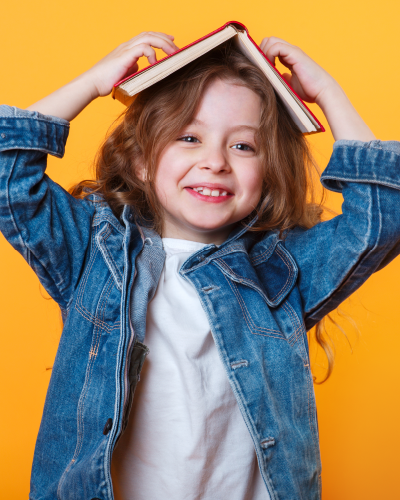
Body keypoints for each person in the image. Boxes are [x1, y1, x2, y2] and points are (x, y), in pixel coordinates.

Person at [1, 30, 399, 500]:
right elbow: (10, 174)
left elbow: (381, 219)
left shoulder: (281, 271)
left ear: (267, 172)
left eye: (243, 147)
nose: (215, 162)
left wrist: (330, 94)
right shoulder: (93, 252)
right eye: (189, 137)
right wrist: (92, 82)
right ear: (140, 160)